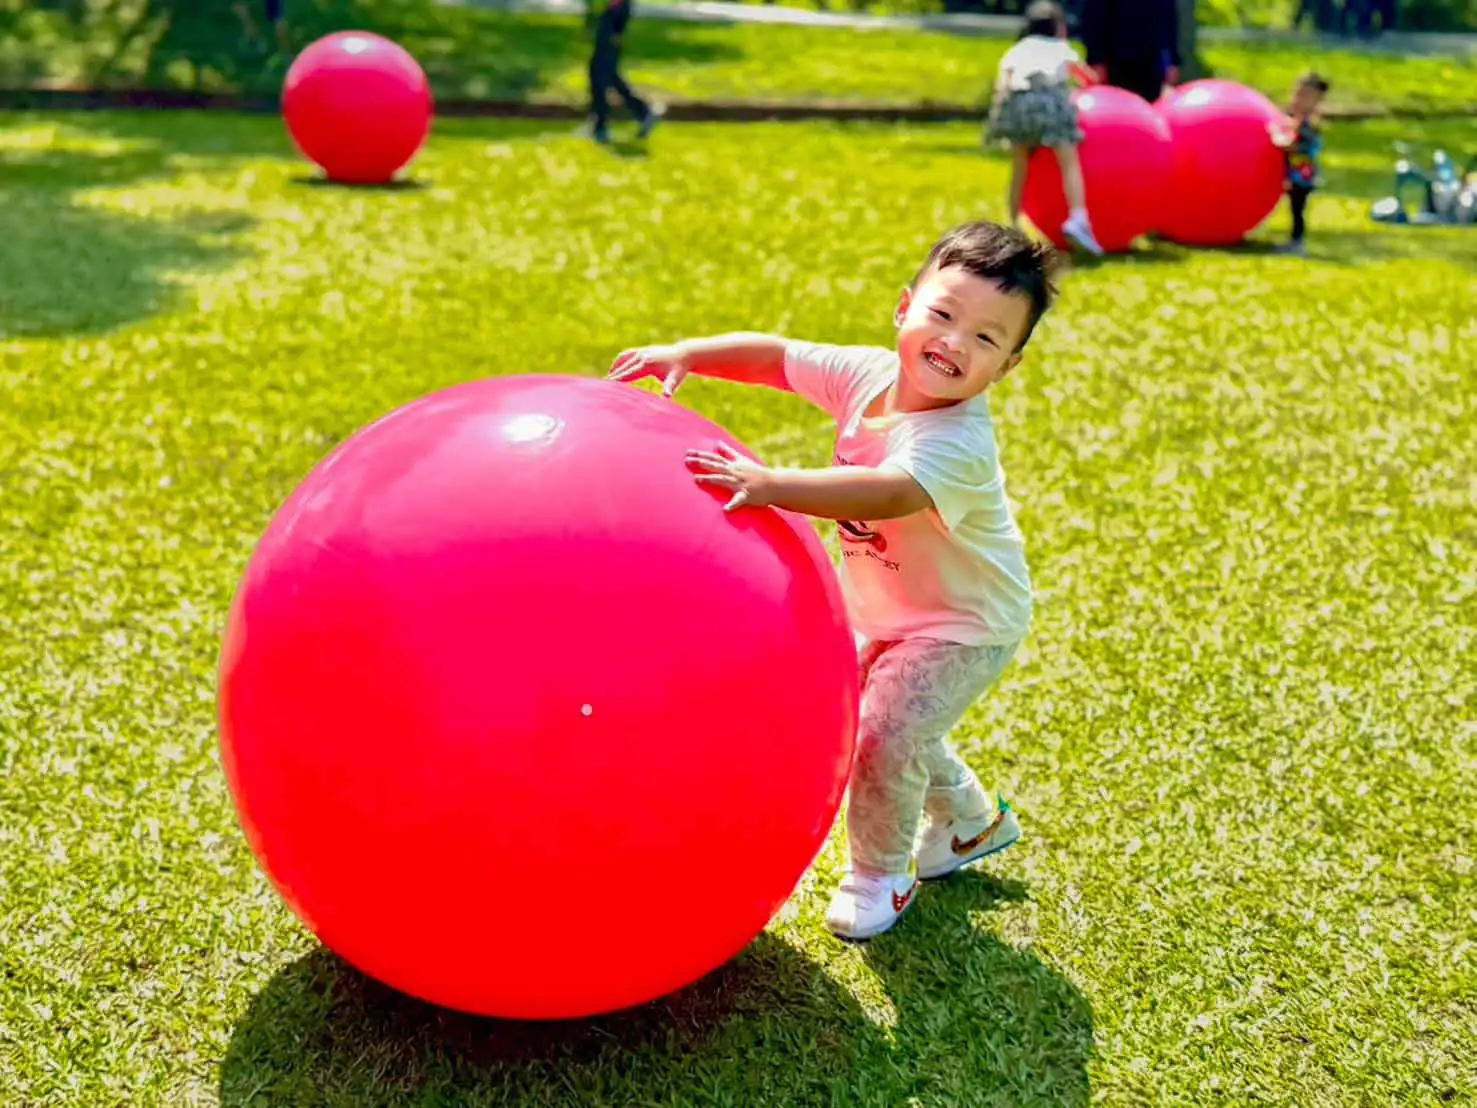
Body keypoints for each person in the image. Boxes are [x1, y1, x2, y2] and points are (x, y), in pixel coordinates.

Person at [607, 221, 1056, 940]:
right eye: (943, 314)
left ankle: (880, 874)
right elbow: (776, 358)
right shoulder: (866, 375)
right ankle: (971, 821)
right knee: (886, 716)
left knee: (883, 733)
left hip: (965, 624)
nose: (954, 343)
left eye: (985, 337)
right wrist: (690, 354)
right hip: (890, 606)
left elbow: (889, 492)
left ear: (1008, 365)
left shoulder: (958, 441)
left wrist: (769, 484)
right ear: (904, 308)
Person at [986, 1, 1103, 255]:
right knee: (1069, 162)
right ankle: (1077, 217)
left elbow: (1004, 81)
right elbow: (1088, 78)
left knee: (1019, 168)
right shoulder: (1060, 48)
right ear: (1058, 27)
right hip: (1051, 105)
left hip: (1018, 106)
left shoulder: (1018, 49)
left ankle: (1012, 225)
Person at [1270, 71, 1329, 256]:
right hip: (1294, 172)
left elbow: (1293, 144)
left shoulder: (1309, 123)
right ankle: (1294, 241)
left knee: (1297, 209)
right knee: (1294, 208)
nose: (1299, 99)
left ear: (1316, 100)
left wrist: (1275, 136)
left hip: (1302, 175)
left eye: (1305, 96)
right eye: (1298, 93)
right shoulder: (1296, 118)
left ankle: (1297, 244)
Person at [587, 0, 660, 145]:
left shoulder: (621, 6)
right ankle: (641, 114)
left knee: (603, 79)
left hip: (609, 42)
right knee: (604, 78)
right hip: (605, 39)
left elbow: (617, 24)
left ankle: (601, 126)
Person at [1079, 0, 1180, 104]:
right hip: (1116, 61)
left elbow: (1168, 14)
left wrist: (1173, 60)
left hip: (1151, 60)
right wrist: (1097, 59)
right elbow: (1094, 16)